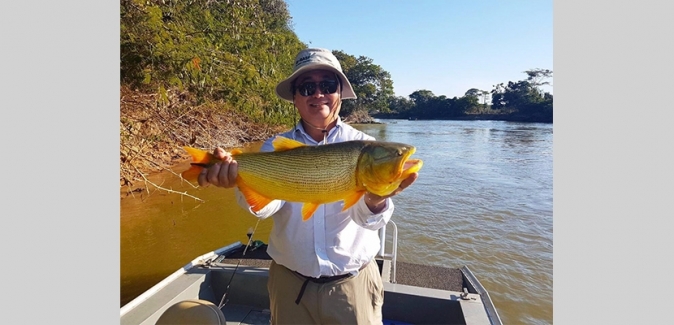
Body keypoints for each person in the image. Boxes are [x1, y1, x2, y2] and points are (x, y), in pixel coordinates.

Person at [198, 48, 418, 324]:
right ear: (294, 98)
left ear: (339, 93)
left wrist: (375, 199)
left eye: (327, 85)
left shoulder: (365, 145)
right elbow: (266, 208)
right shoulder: (274, 147)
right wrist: (238, 181)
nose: (318, 94)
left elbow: (370, 222)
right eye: (307, 87)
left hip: (353, 286)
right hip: (289, 286)